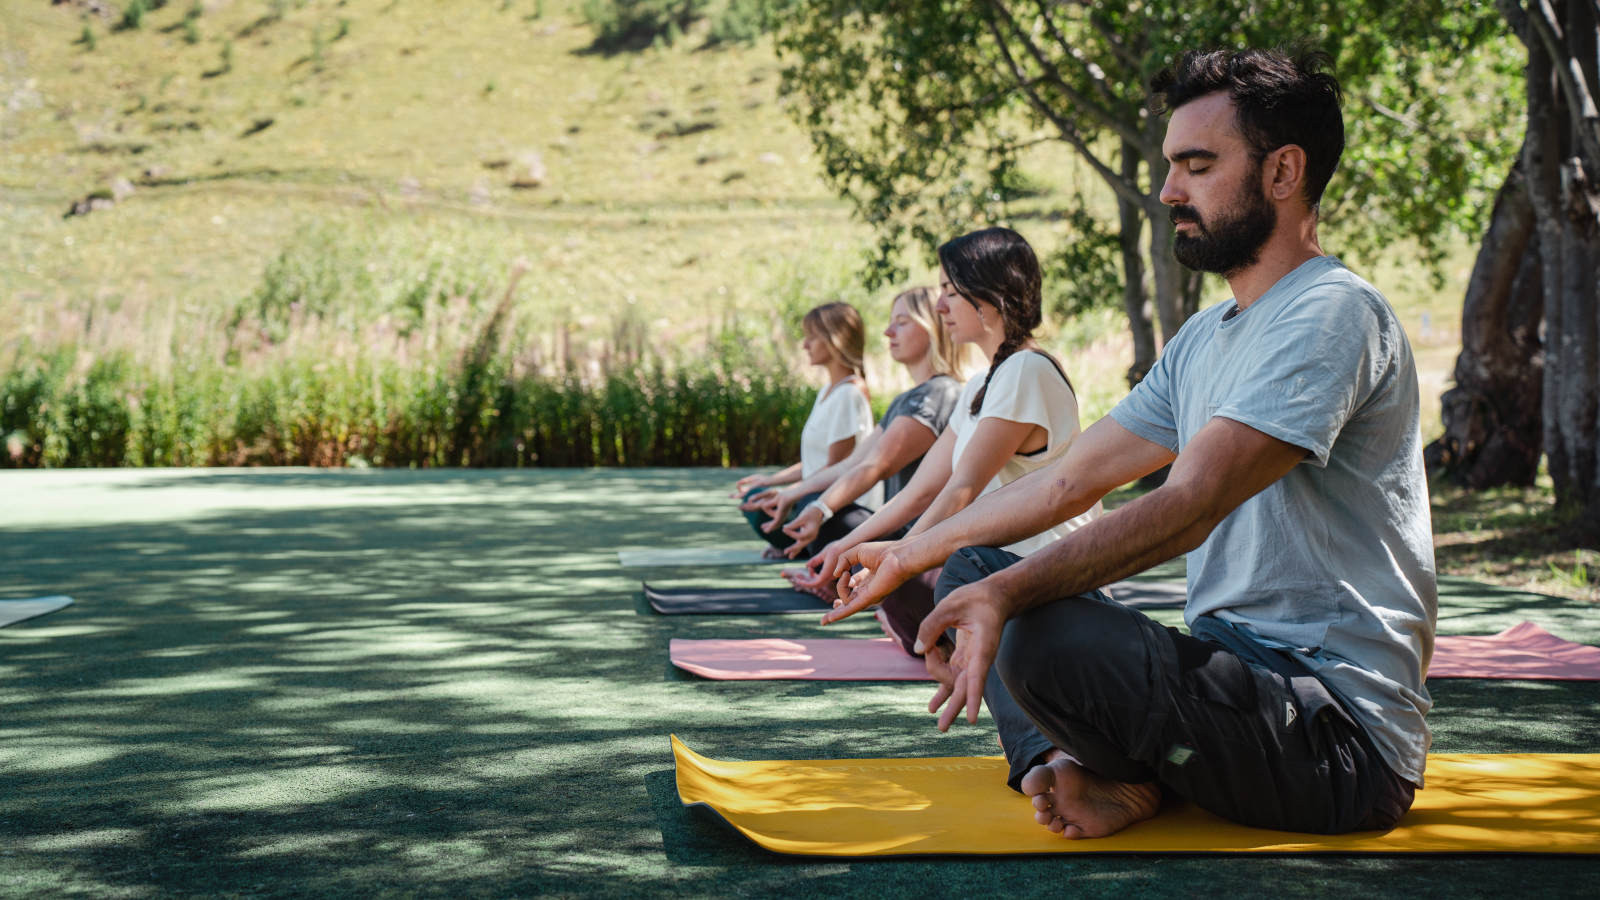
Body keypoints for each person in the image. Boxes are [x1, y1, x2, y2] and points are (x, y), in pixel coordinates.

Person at [824, 46, 1434, 840]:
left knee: (1029, 621)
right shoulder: (1205, 337)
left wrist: (1009, 597)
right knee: (972, 566)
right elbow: (1063, 485)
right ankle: (1072, 765)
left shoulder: (1332, 313)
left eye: (1197, 165)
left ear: (1284, 173)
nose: (1168, 189)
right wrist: (912, 553)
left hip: (1333, 740)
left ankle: (1112, 764)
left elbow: (1190, 507)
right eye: (1172, 164)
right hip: (1229, 685)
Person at [785, 227, 1100, 623]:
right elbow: (921, 491)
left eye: (950, 292)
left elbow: (961, 489)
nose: (939, 307)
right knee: (898, 578)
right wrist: (844, 549)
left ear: (992, 295)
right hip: (994, 564)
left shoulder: (1026, 370)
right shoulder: (977, 387)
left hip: (1041, 575)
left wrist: (896, 560)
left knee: (905, 582)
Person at [750, 287, 966, 562]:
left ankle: (842, 572)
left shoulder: (939, 393)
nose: (888, 332)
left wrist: (818, 507)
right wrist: (792, 493)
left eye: (901, 323)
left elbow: (875, 466)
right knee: (803, 502)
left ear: (933, 327)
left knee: (815, 506)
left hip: (916, 541)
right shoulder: (907, 398)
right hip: (899, 534)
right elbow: (851, 463)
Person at [730, 302, 875, 559]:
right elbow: (813, 463)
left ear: (834, 340)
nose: (805, 345)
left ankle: (805, 543)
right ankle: (797, 543)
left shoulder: (848, 394)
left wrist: (789, 493)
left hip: (842, 504)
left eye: (812, 337)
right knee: (755, 496)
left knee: (766, 503)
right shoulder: (827, 392)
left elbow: (835, 469)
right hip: (817, 491)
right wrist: (769, 481)